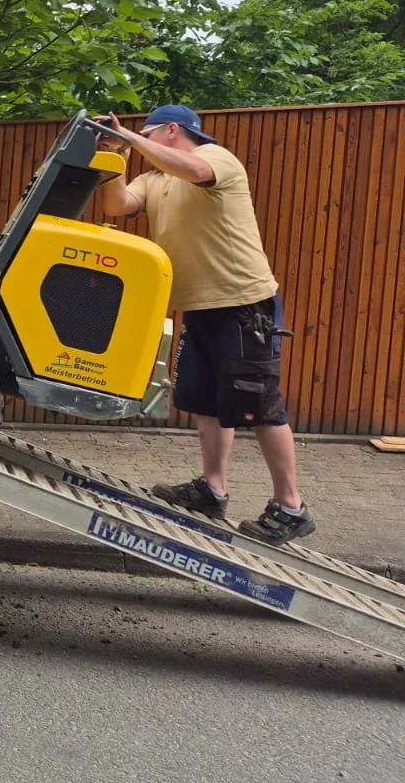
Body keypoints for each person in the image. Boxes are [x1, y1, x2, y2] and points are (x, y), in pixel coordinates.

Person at [96, 103, 315, 544]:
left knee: (260, 406)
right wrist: (113, 153)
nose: (144, 142)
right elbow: (116, 205)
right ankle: (213, 489)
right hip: (199, 307)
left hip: (243, 304)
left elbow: (194, 169)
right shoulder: (153, 179)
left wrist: (131, 139)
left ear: (172, 130)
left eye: (149, 134)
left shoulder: (219, 160)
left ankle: (291, 507)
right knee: (205, 402)